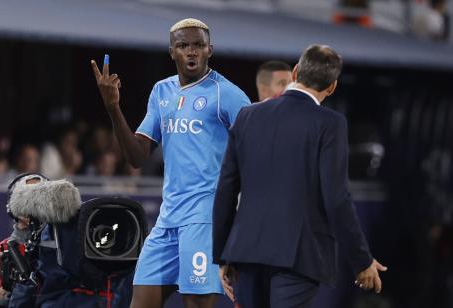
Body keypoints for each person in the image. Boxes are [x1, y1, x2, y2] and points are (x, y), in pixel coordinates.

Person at [91, 18, 250, 308]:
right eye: (183, 46)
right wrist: (113, 108)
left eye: (198, 45)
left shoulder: (226, 94)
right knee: (139, 301)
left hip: (204, 219)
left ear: (210, 50)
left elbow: (256, 148)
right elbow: (137, 156)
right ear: (172, 52)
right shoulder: (161, 92)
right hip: (167, 220)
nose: (192, 52)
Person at [212, 44, 387, 308]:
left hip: (246, 254)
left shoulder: (248, 116)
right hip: (297, 258)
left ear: (295, 72)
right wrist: (361, 261)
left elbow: (225, 189)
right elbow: (336, 199)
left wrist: (222, 254)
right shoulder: (330, 123)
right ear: (332, 87)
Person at [0, 173, 47, 308]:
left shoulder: (63, 249)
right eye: (27, 196)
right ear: (13, 206)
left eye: (41, 195)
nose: (35, 202)